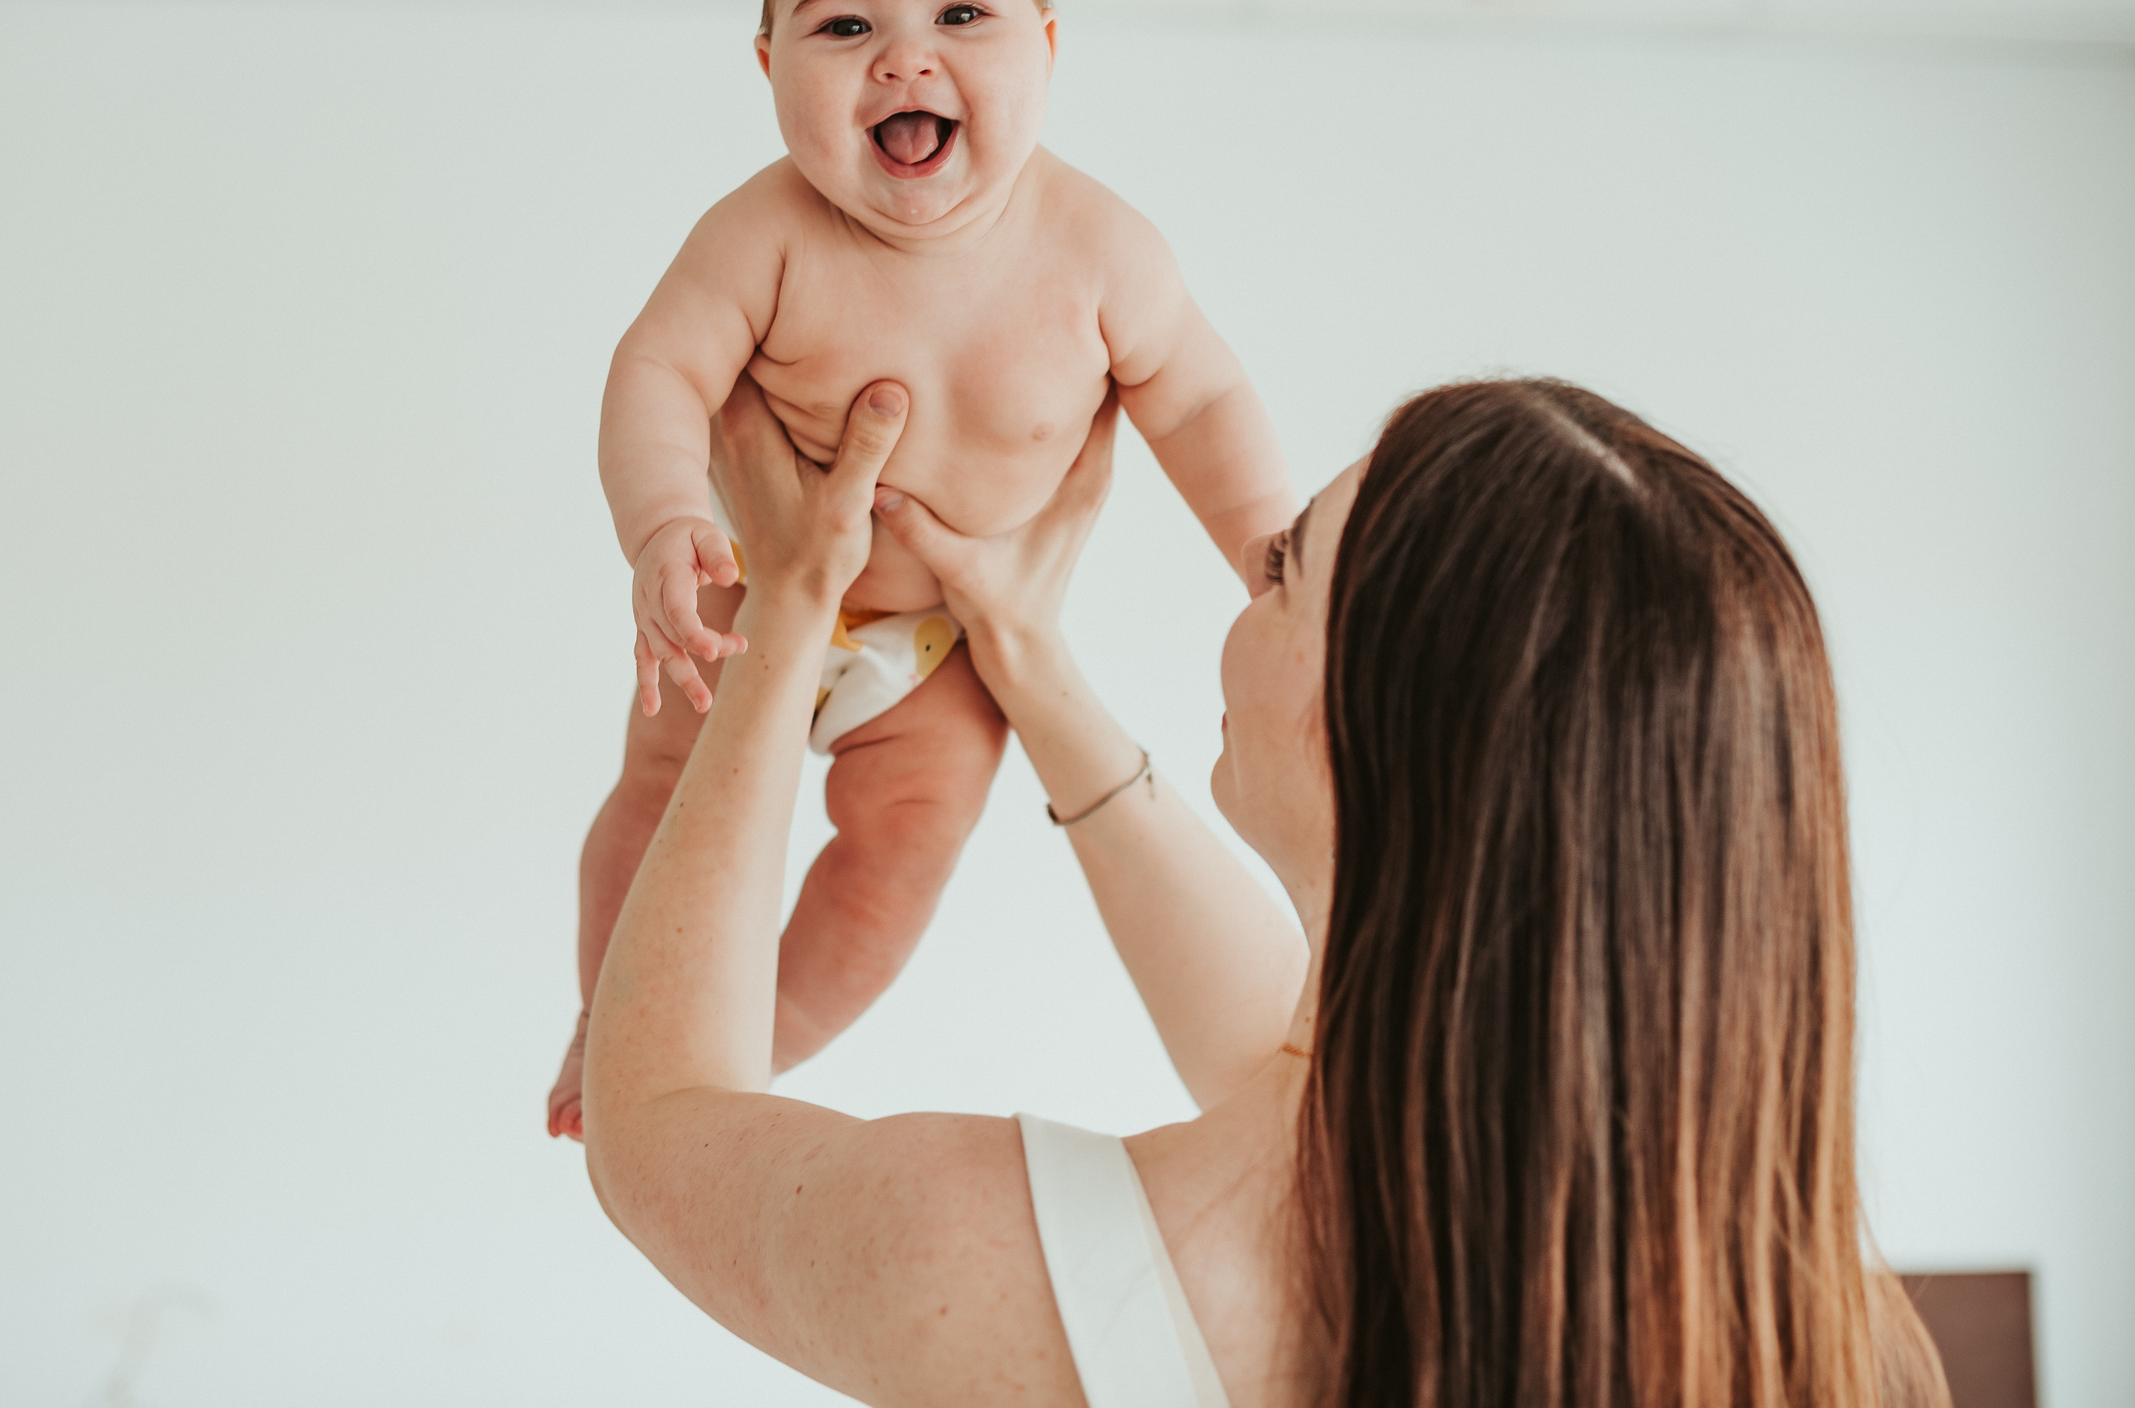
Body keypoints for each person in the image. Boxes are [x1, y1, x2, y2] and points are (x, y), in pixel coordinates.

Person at [582, 372, 1951, 1407]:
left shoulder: (1023, 1266)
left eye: (1285, 565)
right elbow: (1286, 1051)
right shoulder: (1844, 1342)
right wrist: (1020, 653)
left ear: (1379, 731)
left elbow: (652, 1127)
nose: (1249, 594)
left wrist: (790, 601)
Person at [547, 0, 1295, 1139]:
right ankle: (617, 1024)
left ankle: (742, 1053)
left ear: (1048, 49)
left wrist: (1268, 549)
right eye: (842, 29)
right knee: (658, 805)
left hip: (942, 654)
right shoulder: (759, 236)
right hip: (737, 601)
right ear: (772, 68)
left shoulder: (1100, 251)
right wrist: (664, 519)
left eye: (962, 9)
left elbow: (1202, 393)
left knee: (891, 870)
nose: (906, 56)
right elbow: (656, 371)